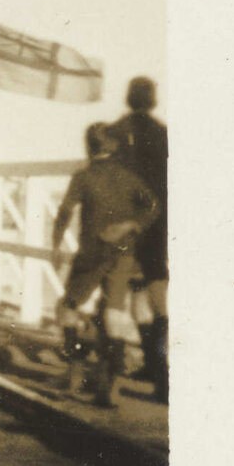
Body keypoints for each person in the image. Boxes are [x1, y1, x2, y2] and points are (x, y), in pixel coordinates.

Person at [52, 122, 158, 408]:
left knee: (68, 307)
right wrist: (130, 224)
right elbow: (152, 206)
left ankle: (75, 372)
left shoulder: (83, 177)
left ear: (89, 147)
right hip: (124, 252)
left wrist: (56, 244)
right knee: (114, 313)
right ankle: (108, 386)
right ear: (113, 147)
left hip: (92, 253)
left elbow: (65, 212)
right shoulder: (128, 177)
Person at [108, 76, 169, 403]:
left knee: (134, 289)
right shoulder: (163, 133)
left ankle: (156, 368)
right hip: (158, 221)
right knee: (156, 292)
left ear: (129, 97)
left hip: (130, 221)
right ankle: (157, 369)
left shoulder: (118, 131)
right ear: (153, 99)